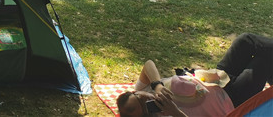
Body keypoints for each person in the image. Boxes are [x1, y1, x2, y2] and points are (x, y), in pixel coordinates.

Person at [117, 33, 273, 117]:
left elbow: (148, 64)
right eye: (144, 108)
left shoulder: (146, 89)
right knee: (264, 60)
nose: (146, 100)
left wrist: (156, 85)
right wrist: (174, 112)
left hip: (217, 77)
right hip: (232, 98)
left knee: (245, 41)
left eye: (140, 98)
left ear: (135, 92)